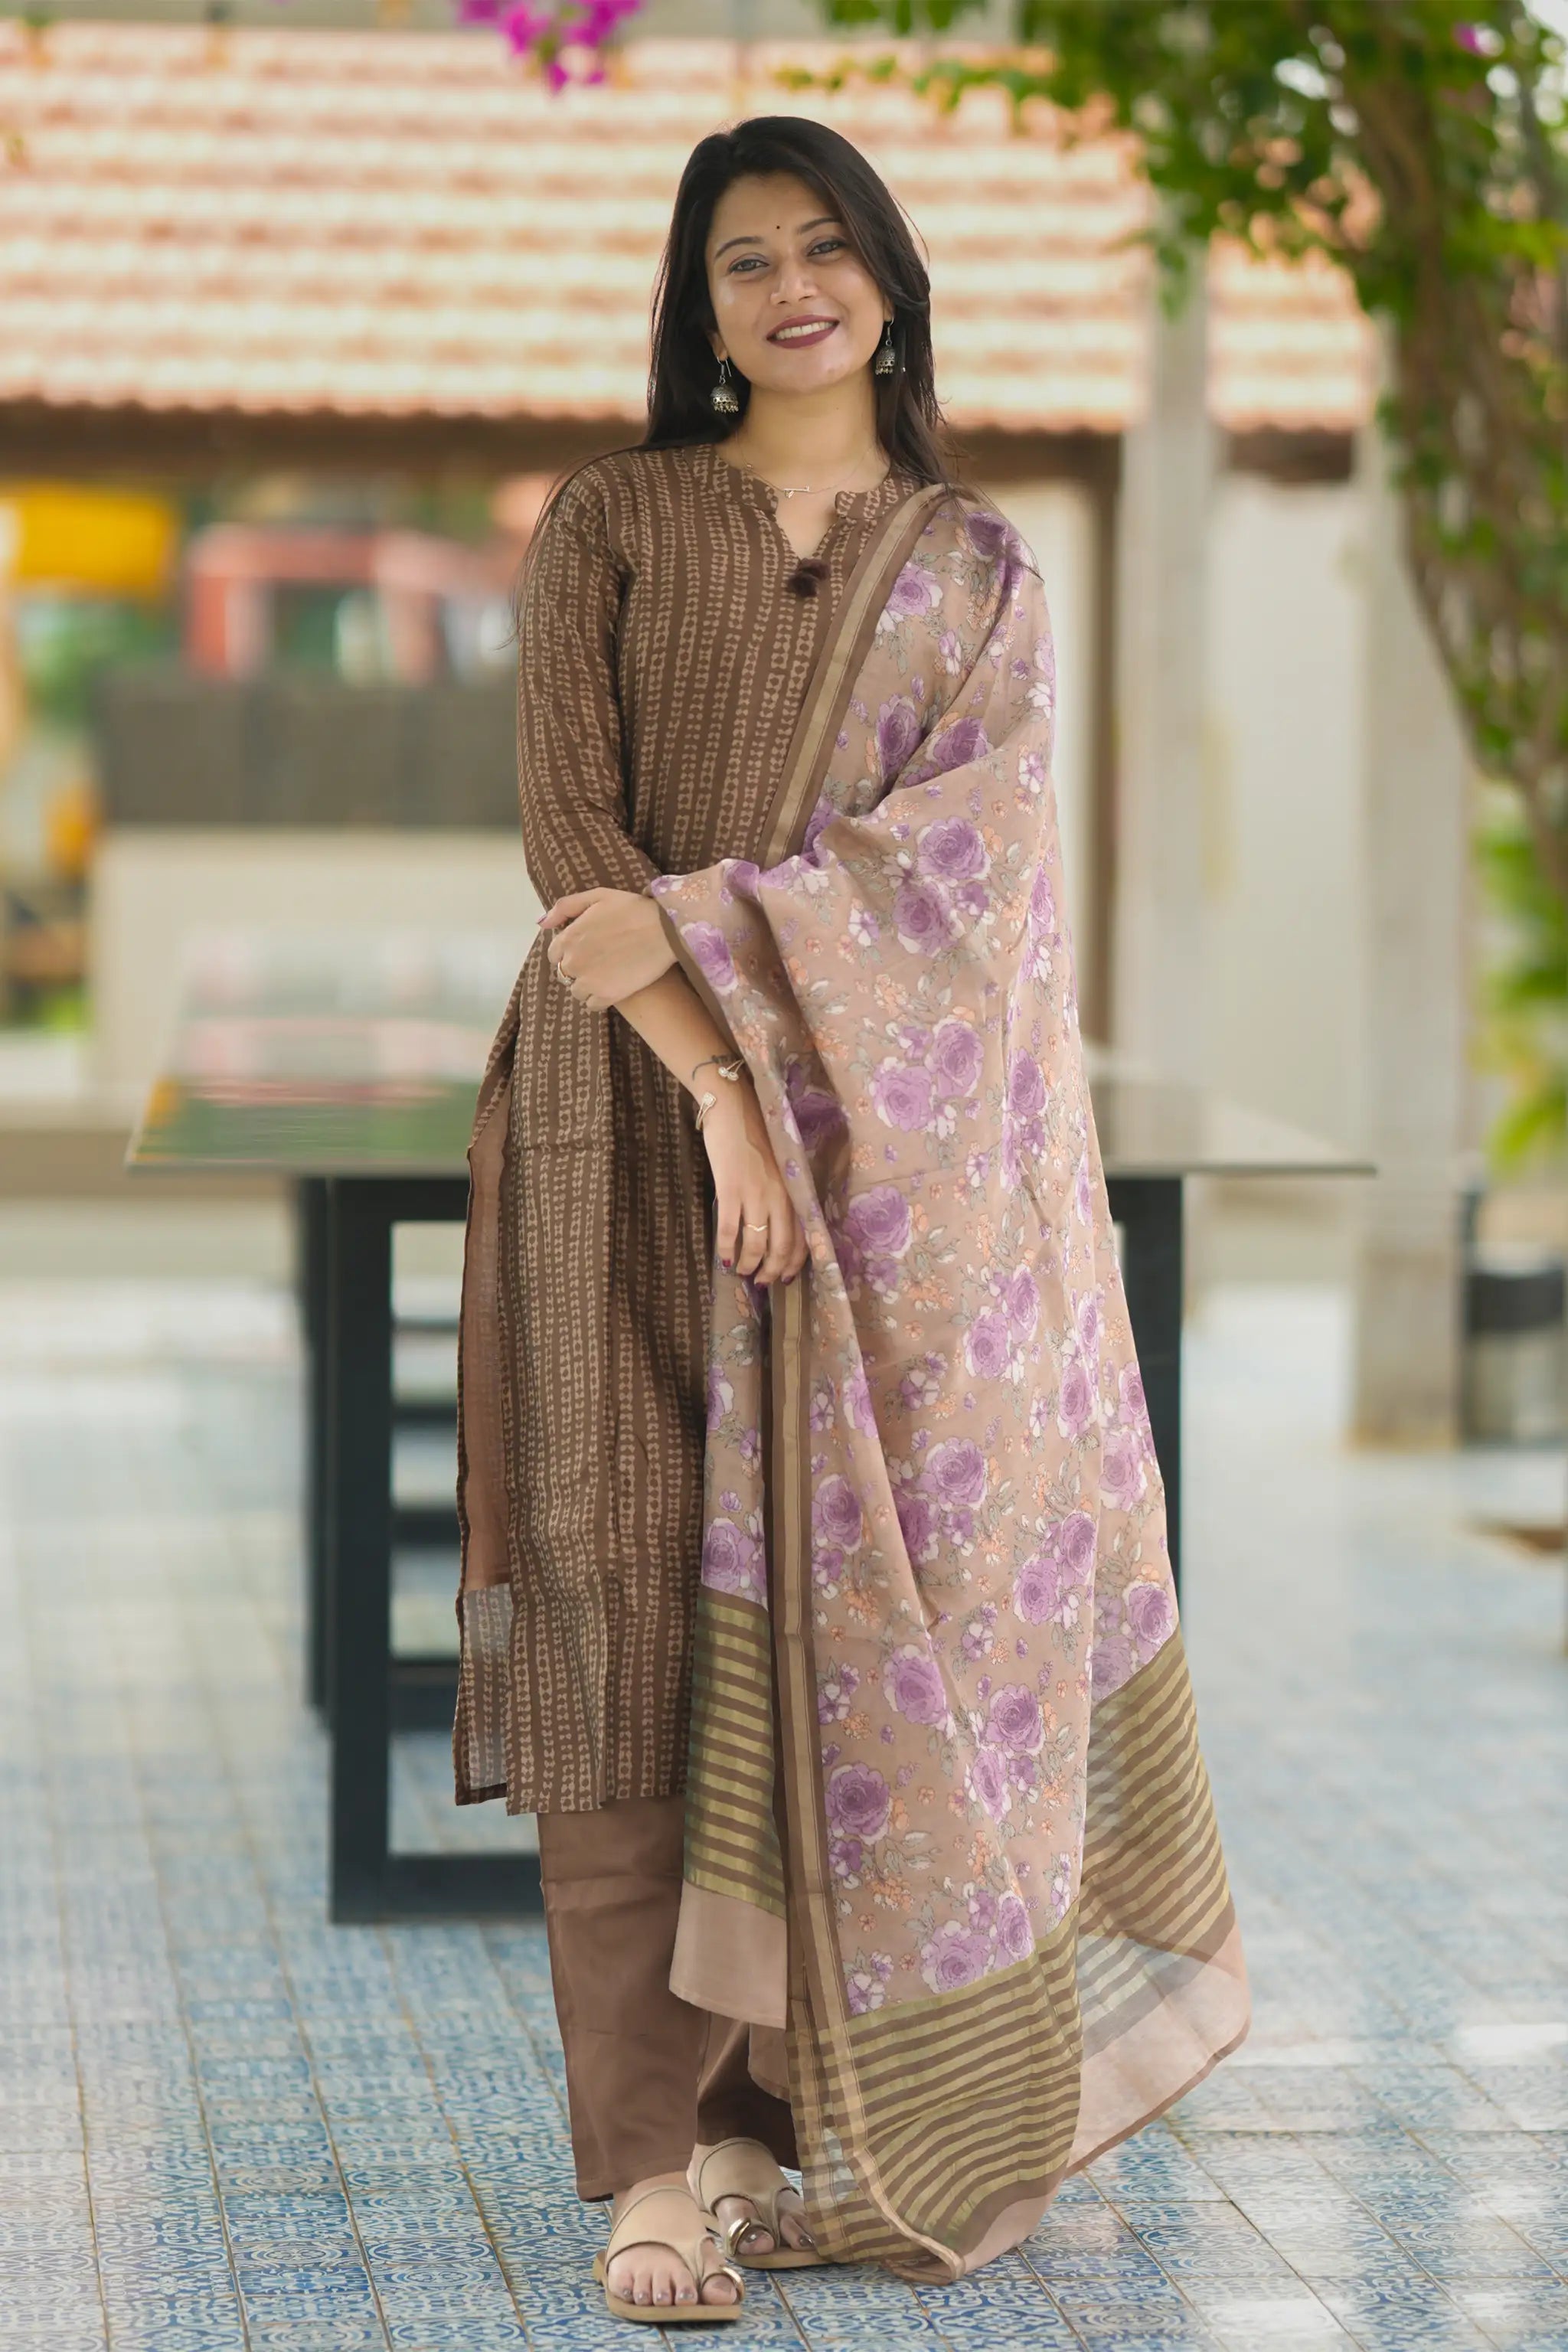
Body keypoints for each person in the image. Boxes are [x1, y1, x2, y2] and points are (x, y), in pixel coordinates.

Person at [456, 115, 1250, 2326]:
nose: (790, 288)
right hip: (620, 1143)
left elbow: (976, 893)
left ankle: (774, 2127)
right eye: (744, 260)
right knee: (622, 1619)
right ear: (698, 307)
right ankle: (646, 2168)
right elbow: (578, 860)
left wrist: (745, 1025)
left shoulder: (977, 565)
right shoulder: (610, 522)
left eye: (826, 248)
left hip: (890, 1198)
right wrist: (721, 1094)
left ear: (889, 281)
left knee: (838, 1630)